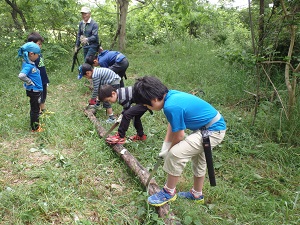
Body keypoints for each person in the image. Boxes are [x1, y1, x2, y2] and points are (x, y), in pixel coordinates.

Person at [133, 76, 226, 207]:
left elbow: (179, 136)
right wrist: (165, 145)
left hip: (213, 131)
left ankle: (168, 192)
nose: (148, 108)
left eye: (147, 105)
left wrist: (170, 151)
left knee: (176, 154)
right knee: (199, 159)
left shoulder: (171, 106)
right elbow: (173, 124)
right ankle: (196, 194)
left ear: (154, 99)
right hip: (207, 128)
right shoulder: (170, 96)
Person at [17, 42, 43, 132]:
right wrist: (29, 82)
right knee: (35, 110)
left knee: (36, 108)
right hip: (34, 91)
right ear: (31, 54)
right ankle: (35, 128)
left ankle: (36, 124)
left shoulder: (30, 63)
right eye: (37, 55)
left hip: (36, 90)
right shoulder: (28, 65)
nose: (38, 56)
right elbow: (21, 75)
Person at [27, 32, 50, 114]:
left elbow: (42, 67)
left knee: (44, 95)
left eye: (41, 44)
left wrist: (46, 80)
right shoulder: (31, 57)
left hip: (43, 79)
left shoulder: (39, 54)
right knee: (38, 97)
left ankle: (43, 109)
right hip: (37, 81)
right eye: (39, 44)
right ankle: (38, 112)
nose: (40, 46)